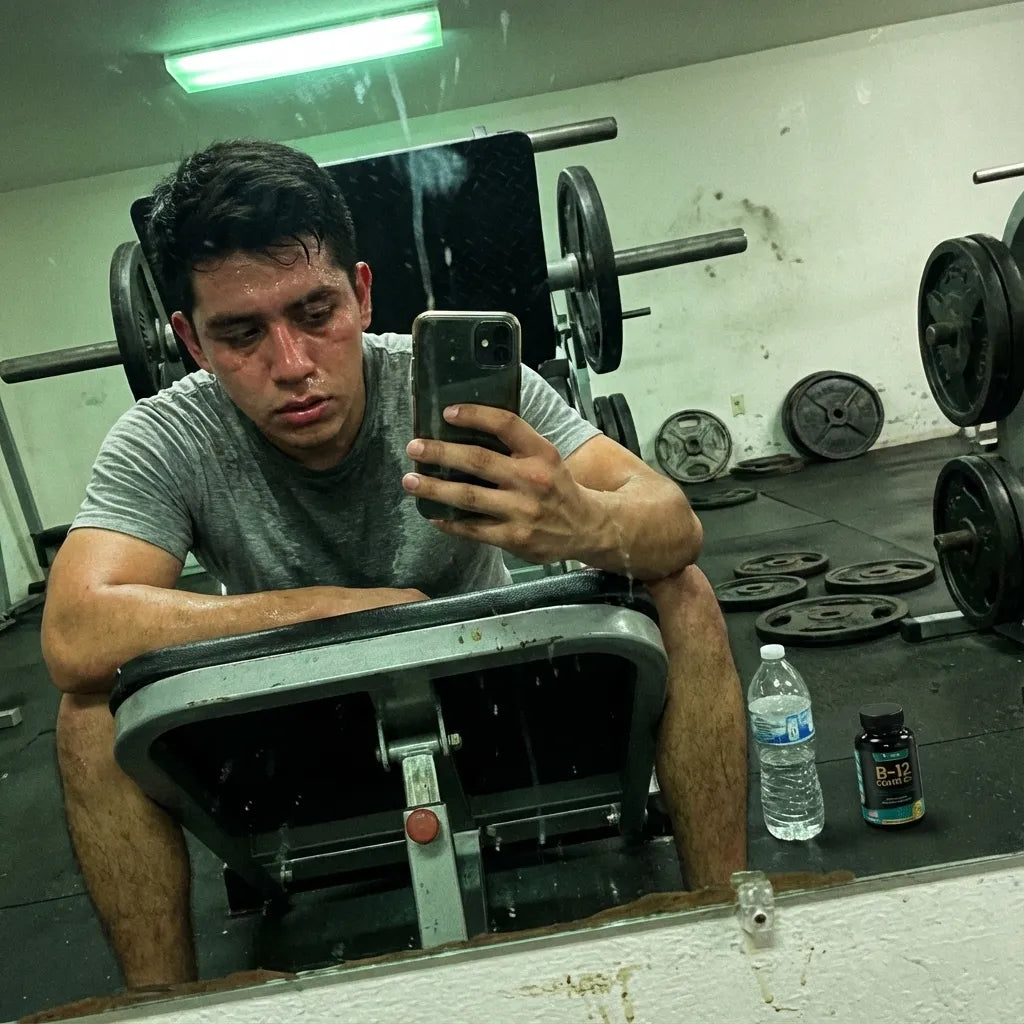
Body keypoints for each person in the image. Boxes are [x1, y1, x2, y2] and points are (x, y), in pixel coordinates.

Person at [41, 139, 747, 990]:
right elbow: (75, 634)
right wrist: (325, 610)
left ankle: (730, 930)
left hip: (501, 715)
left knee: (682, 593)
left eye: (316, 313)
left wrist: (583, 521)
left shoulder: (460, 387)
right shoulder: (167, 436)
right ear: (191, 340)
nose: (292, 365)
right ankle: (164, 1006)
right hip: (300, 739)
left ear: (363, 293)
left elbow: (673, 526)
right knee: (89, 713)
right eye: (241, 334)